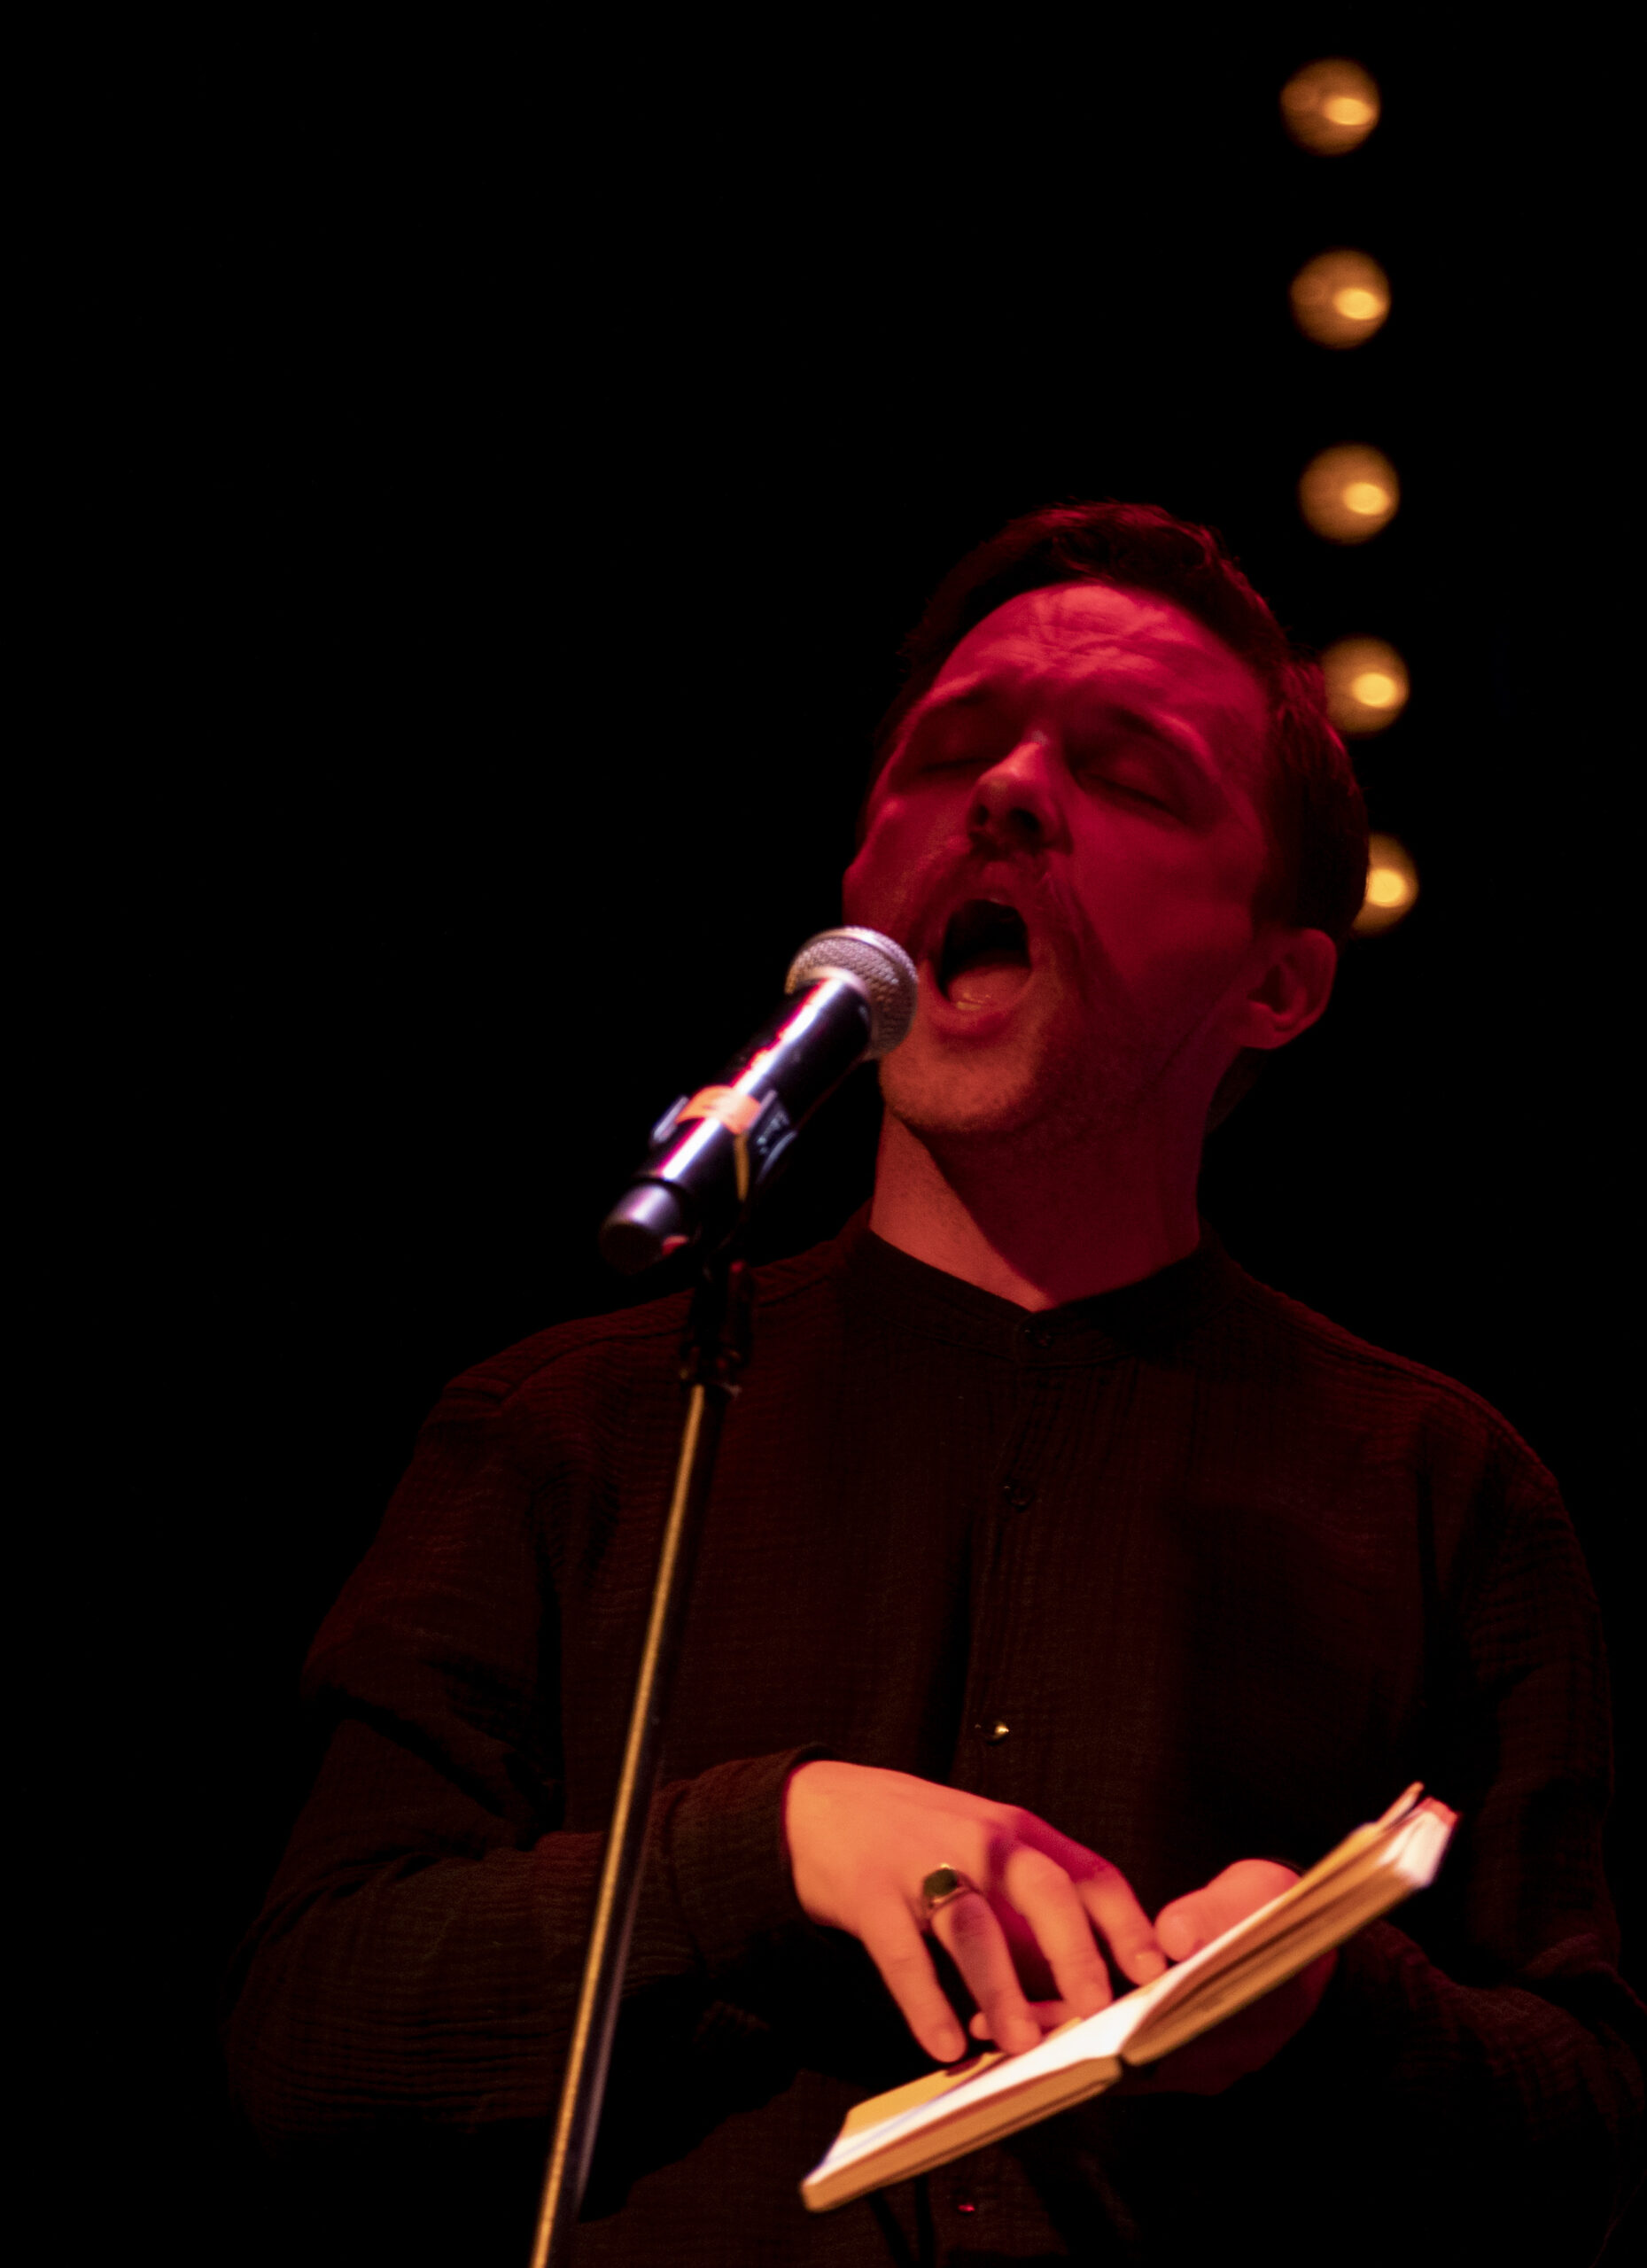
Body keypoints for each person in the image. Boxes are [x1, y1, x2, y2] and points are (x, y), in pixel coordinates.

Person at [223, 504, 1643, 2264]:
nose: (1011, 791)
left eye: (1130, 773)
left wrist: (1325, 2011)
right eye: (954, 750)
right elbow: (305, 2037)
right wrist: (765, 1843)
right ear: (860, 881)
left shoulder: (1435, 1486)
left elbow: (1583, 2145)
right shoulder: (568, 1431)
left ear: (1277, 983)